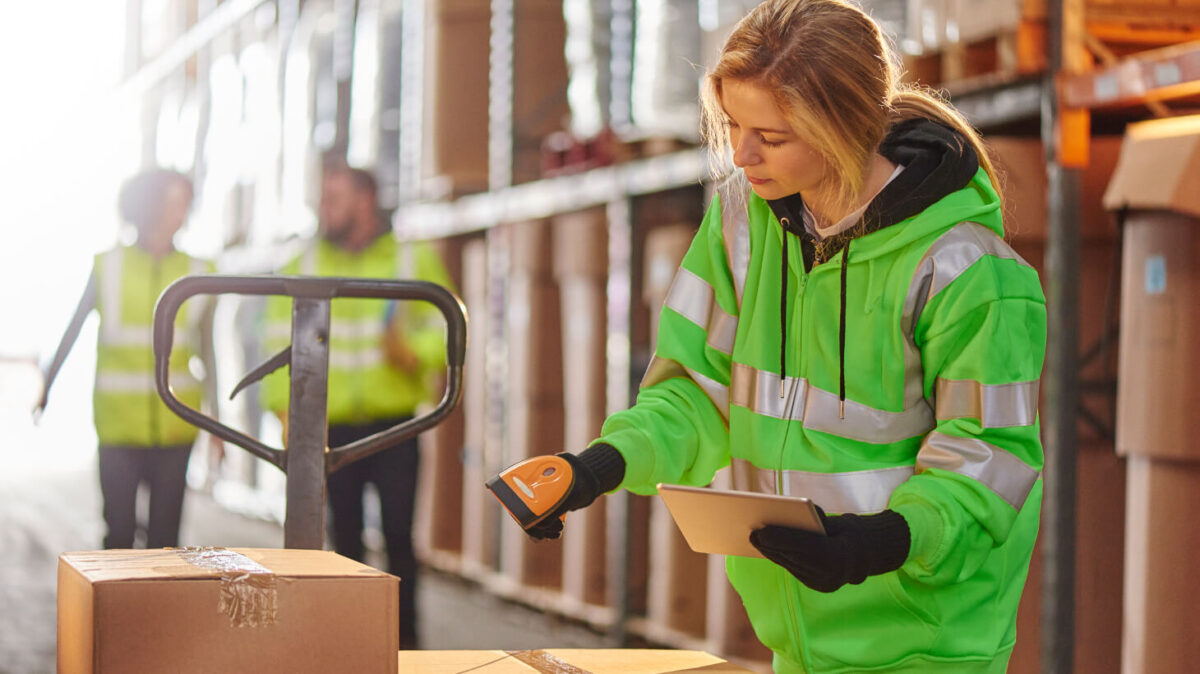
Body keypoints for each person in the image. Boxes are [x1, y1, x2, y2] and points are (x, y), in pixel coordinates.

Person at [493, 1, 1046, 671]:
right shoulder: (741, 230)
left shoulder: (966, 271)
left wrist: (881, 543)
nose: (740, 154)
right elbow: (696, 393)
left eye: (773, 135)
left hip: (928, 647)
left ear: (844, 127)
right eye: (732, 124)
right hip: (797, 644)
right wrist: (598, 468)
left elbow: (987, 457)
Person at [263, 163, 453, 650]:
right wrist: (283, 413)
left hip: (394, 428)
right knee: (343, 542)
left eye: (334, 199)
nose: (323, 209)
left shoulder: (411, 259)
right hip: (330, 427)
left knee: (398, 540)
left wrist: (413, 353)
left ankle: (406, 647)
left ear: (365, 201)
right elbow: (272, 338)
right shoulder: (302, 259)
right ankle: (349, 646)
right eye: (322, 198)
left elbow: (447, 329)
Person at [36, 168, 217, 550]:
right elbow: (73, 329)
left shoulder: (200, 273)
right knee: (118, 535)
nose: (181, 213)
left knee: (166, 542)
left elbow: (207, 352)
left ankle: (158, 611)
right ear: (147, 206)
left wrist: (216, 424)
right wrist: (47, 386)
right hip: (118, 427)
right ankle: (119, 612)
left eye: (185, 204)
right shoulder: (109, 266)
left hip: (177, 427)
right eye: (173, 203)